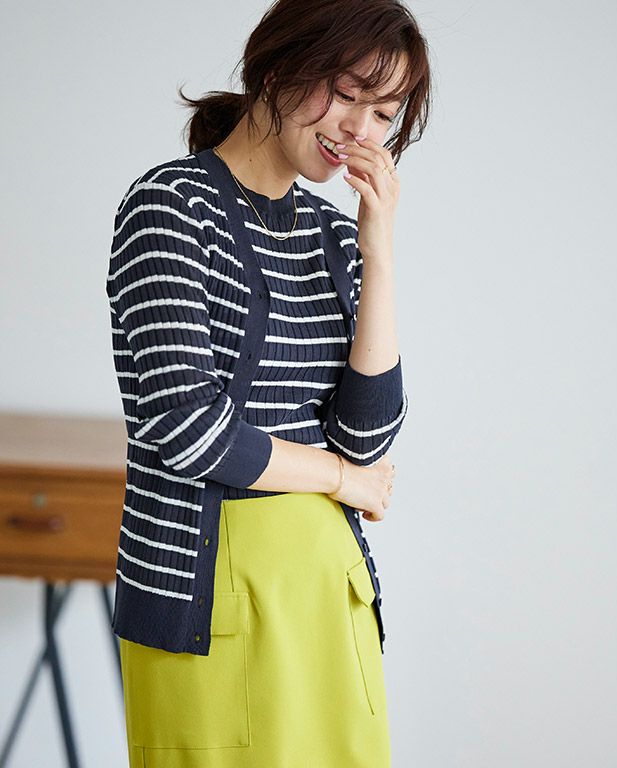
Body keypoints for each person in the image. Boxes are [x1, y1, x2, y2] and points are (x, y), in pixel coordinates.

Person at [106, 0, 432, 765]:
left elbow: (366, 434)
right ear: (281, 66)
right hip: (205, 594)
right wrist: (343, 479)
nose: (360, 129)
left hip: (329, 589)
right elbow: (189, 430)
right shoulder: (169, 207)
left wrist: (378, 251)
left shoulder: (333, 238)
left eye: (383, 114)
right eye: (347, 94)